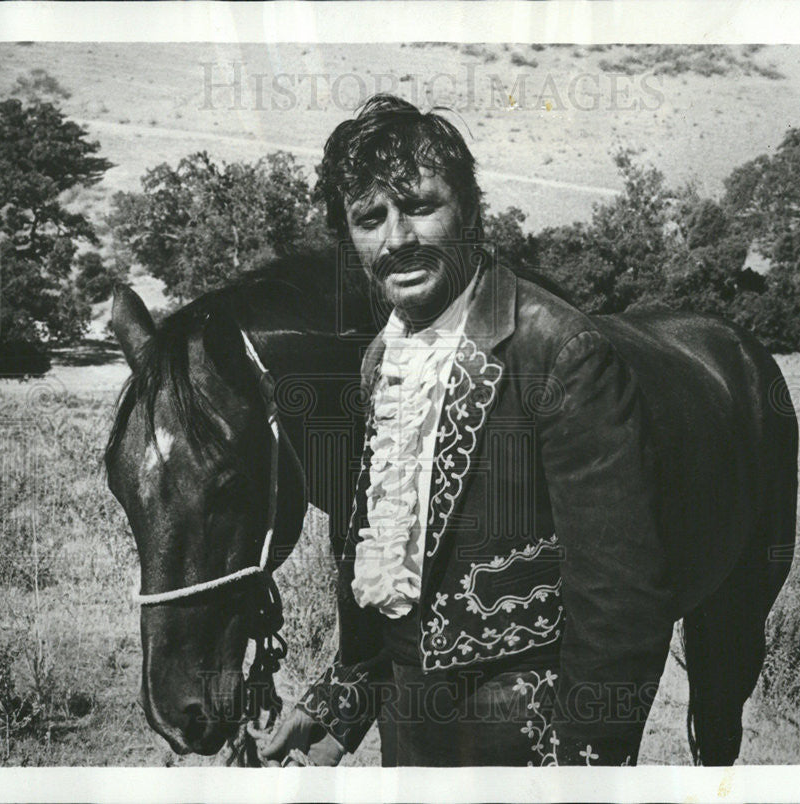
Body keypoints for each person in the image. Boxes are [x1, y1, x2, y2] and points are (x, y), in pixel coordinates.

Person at [261, 94, 675, 767]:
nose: (396, 239)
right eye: (370, 219)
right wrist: (341, 705)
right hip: (412, 731)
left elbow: (622, 602)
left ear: (472, 211)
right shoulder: (378, 362)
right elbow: (382, 567)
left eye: (420, 206)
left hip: (531, 740)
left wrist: (586, 767)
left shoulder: (560, 351)